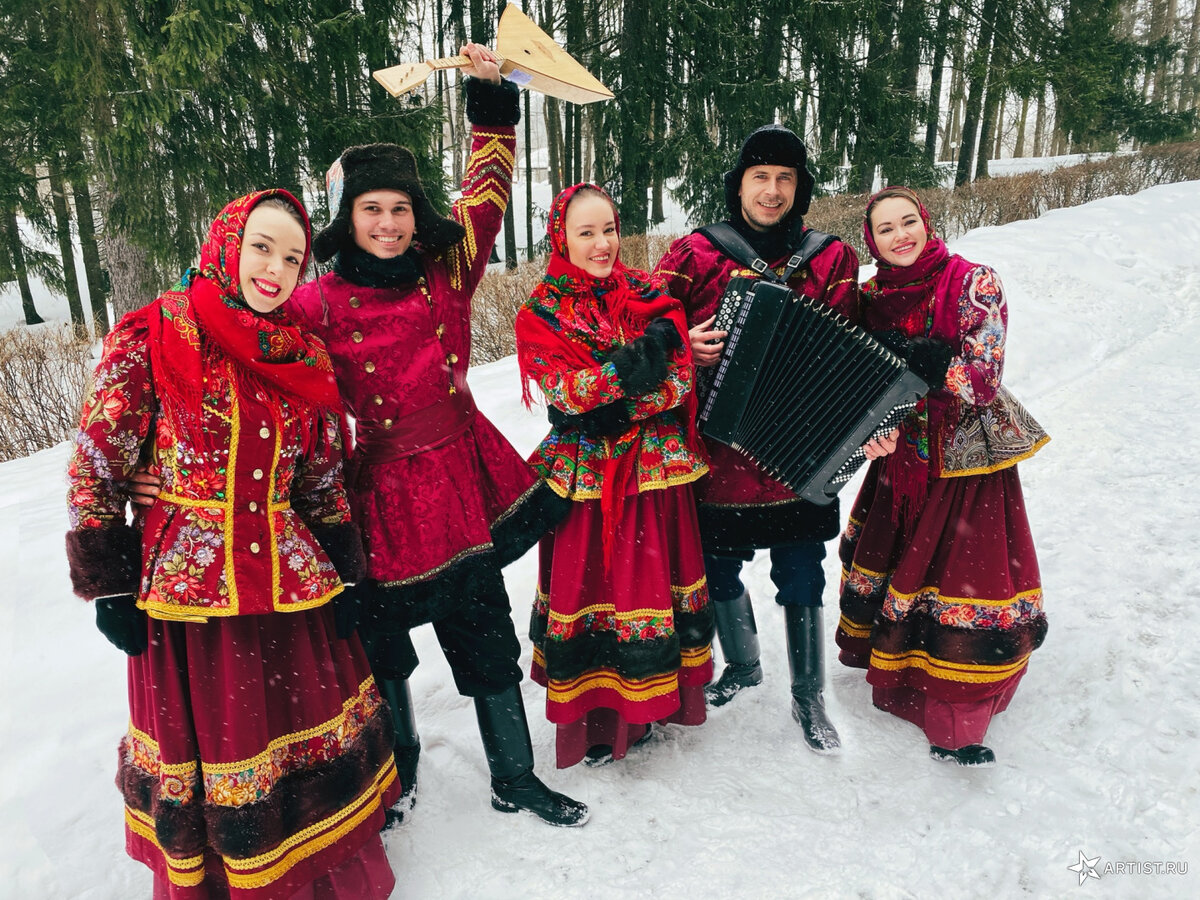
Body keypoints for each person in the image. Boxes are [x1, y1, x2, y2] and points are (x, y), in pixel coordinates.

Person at [65, 190, 399, 898]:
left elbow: (318, 478)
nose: (275, 269)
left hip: (290, 588)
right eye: (261, 247)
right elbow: (99, 460)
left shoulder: (299, 352)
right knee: (220, 751)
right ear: (225, 242)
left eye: (291, 257)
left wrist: (347, 571)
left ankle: (311, 873)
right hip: (192, 602)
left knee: (301, 740)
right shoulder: (158, 332)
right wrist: (111, 582)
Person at [287, 45, 586, 826]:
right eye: (370, 209)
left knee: (483, 628)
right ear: (347, 217)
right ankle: (396, 778)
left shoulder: (444, 268)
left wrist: (489, 98)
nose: (388, 224)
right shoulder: (314, 303)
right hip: (377, 493)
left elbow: (485, 196)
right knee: (382, 649)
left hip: (459, 478)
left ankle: (514, 776)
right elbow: (257, 364)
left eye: (399, 208)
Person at [654, 125, 860, 752]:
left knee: (804, 574)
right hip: (718, 453)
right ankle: (743, 666)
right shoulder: (693, 255)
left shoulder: (832, 259)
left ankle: (809, 695)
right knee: (716, 570)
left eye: (786, 179)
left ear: (800, 188)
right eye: (760, 177)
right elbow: (646, 332)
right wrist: (682, 347)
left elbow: (853, 352)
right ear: (739, 183)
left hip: (800, 452)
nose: (772, 192)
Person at [834, 186, 1049, 766]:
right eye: (886, 229)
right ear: (871, 241)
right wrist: (868, 429)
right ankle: (905, 676)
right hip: (901, 455)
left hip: (963, 454)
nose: (902, 235)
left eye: (909, 222)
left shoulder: (973, 281)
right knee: (907, 565)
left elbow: (980, 380)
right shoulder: (871, 296)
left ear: (926, 223)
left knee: (965, 581)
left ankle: (961, 716)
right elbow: (855, 381)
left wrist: (926, 359)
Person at [515, 183, 714, 768]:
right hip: (589, 480)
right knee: (596, 587)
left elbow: (680, 381)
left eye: (609, 229)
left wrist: (615, 398)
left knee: (653, 582)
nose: (602, 244)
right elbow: (565, 393)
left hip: (655, 470)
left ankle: (653, 704)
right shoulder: (541, 312)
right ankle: (601, 715)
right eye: (586, 233)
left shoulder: (651, 294)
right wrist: (633, 369)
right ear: (562, 238)